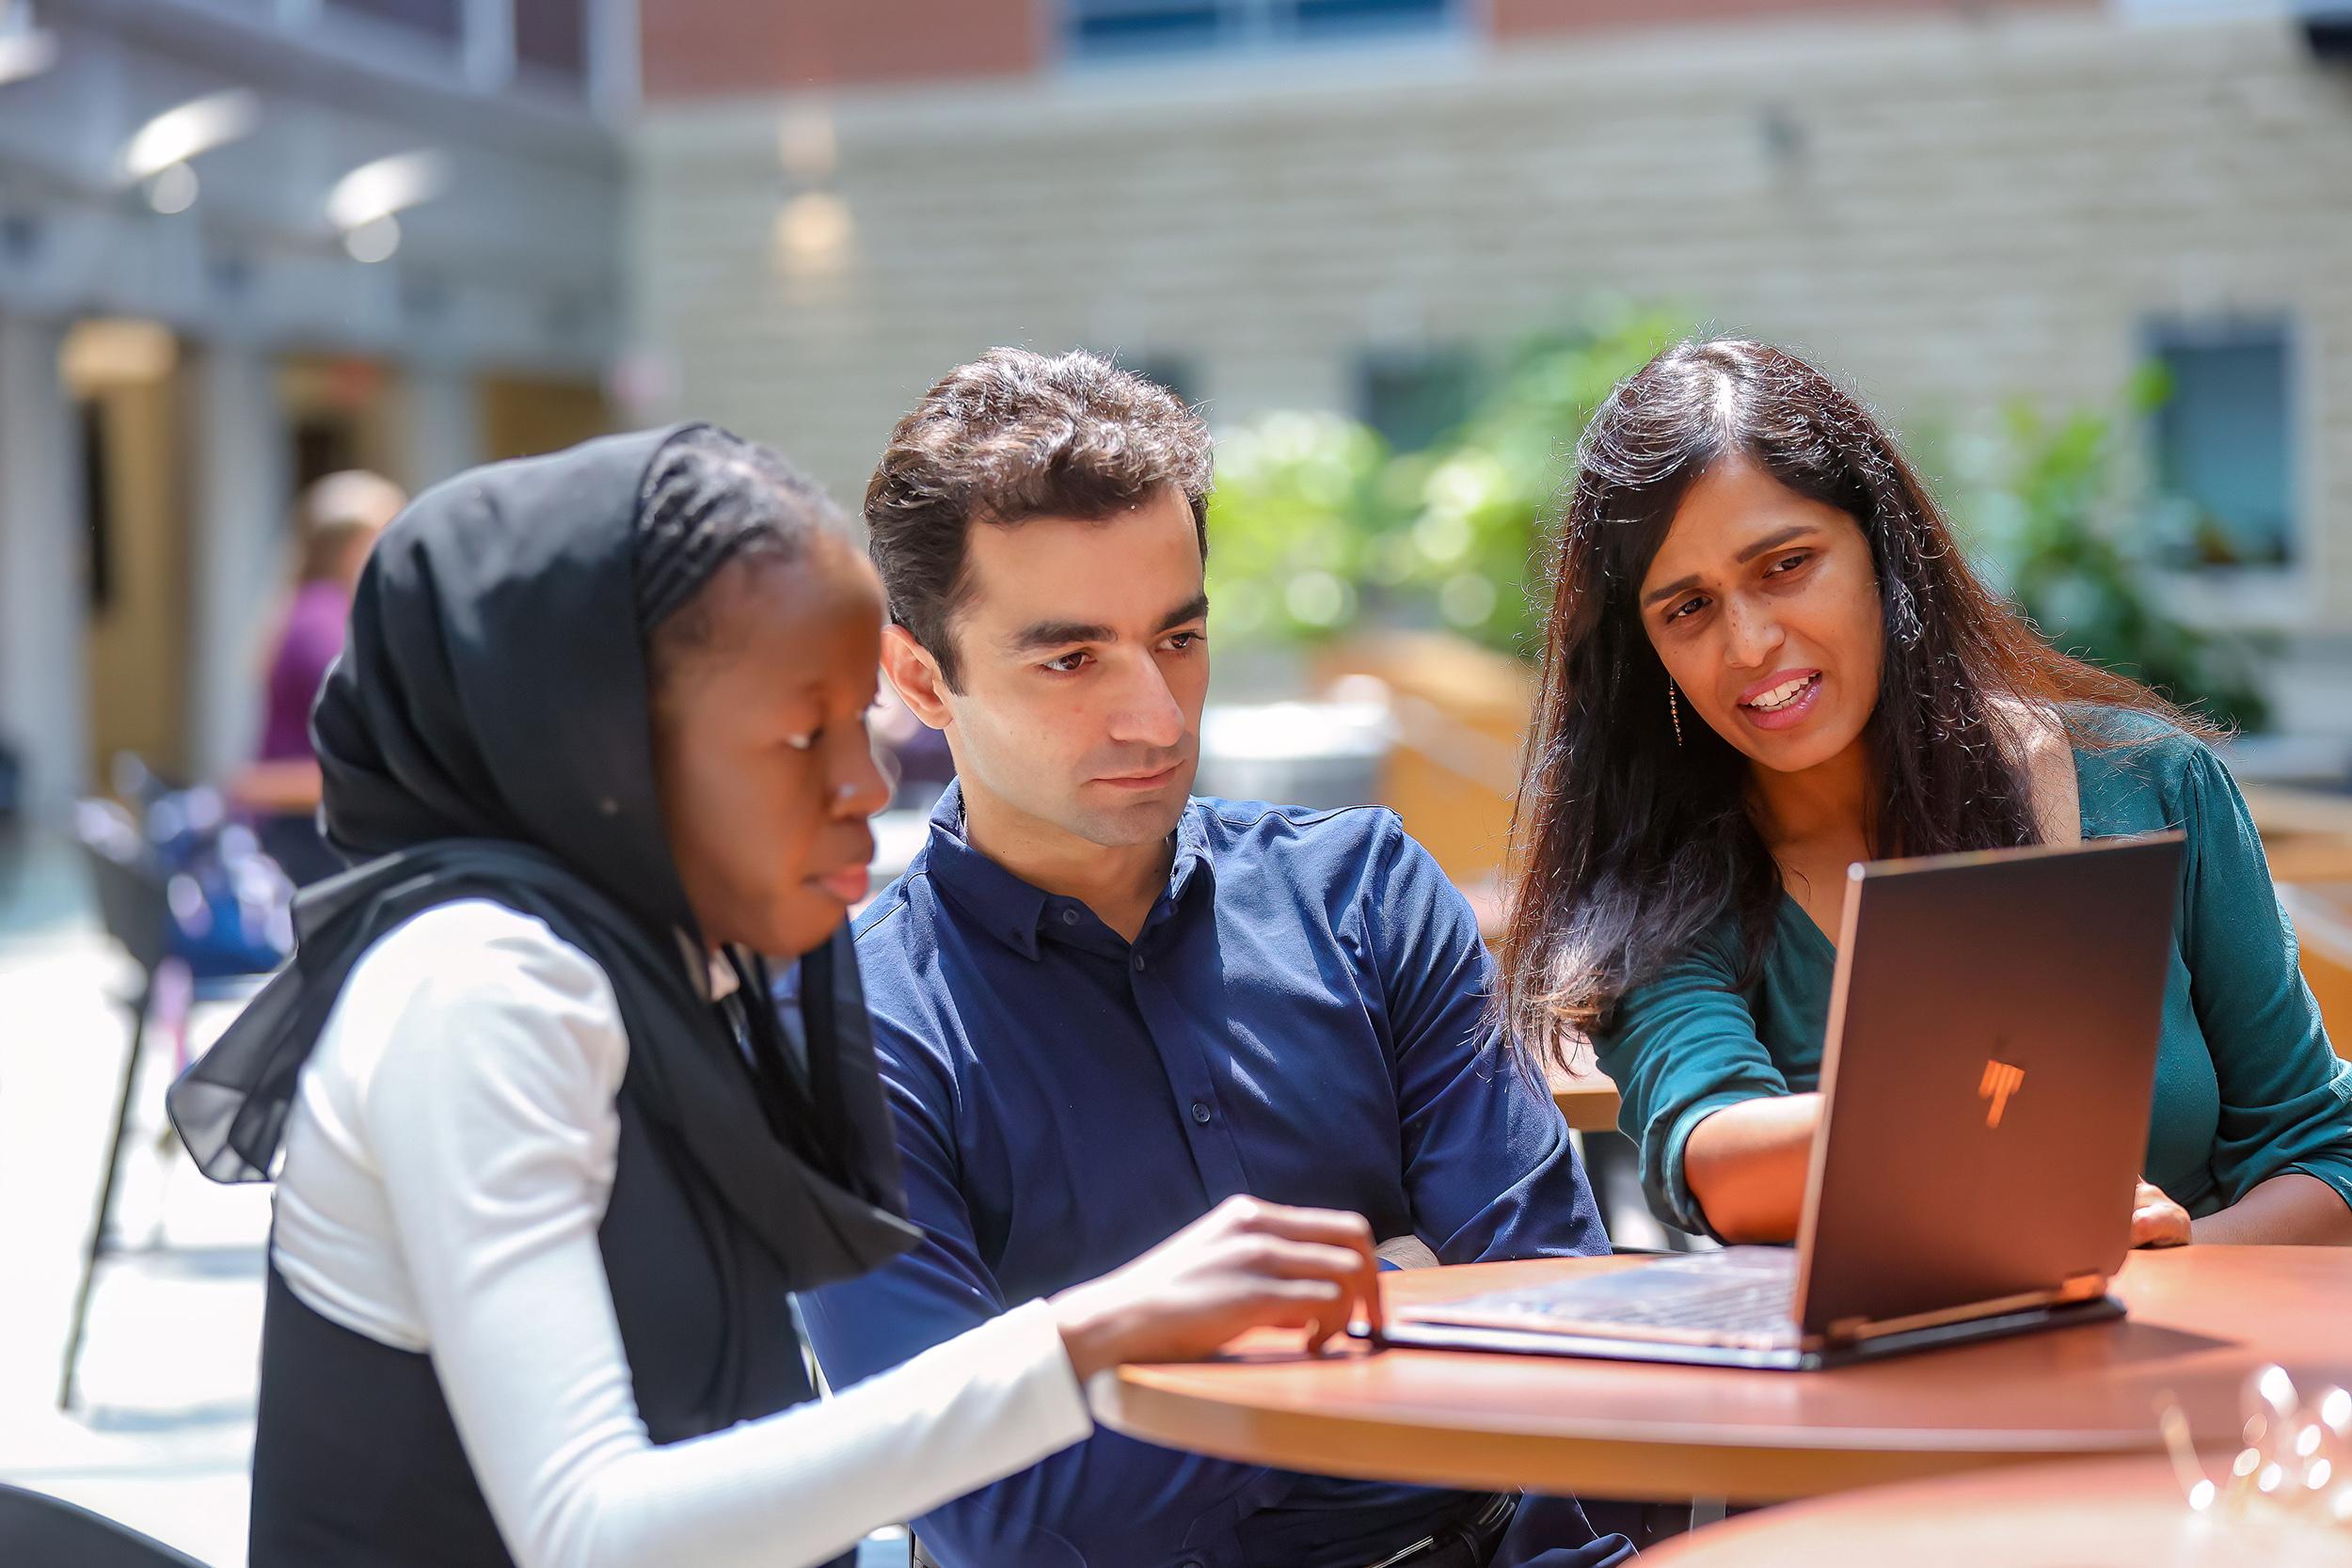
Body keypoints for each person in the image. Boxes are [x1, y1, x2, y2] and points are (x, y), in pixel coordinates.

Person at [167, 425, 1390, 1568]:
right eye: (802, 736)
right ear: (608, 750)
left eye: (858, 721)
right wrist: (1087, 1335)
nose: (865, 784)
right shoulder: (487, 992)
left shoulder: (663, 965)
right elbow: (596, 1530)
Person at [802, 349, 1629, 1568]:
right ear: (921, 674)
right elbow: (975, 1495)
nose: (1156, 715)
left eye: (1177, 637)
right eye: (1071, 658)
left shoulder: (1366, 890)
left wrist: (1122, 1376)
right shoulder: (849, 1028)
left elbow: (1555, 1316)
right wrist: (1394, 1317)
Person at [1498, 337, 2352, 1250]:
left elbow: (2319, 1150)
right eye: (1687, 607)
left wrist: (2141, 1262)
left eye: (1784, 564)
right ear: (1648, 652)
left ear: (1880, 549)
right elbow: (1713, 1156)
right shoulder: (1657, 886)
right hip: (1871, 1389)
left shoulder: (2153, 785)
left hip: (2185, 1376)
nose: (1747, 643)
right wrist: (1975, 1109)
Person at [232, 468, 407, 885]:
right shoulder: (323, 624)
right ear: (350, 545)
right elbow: (352, 747)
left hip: (295, 827)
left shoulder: (305, 609)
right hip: (311, 835)